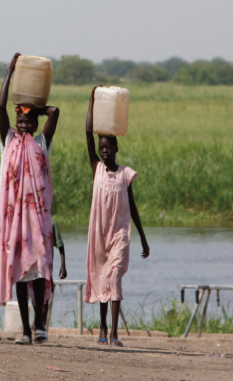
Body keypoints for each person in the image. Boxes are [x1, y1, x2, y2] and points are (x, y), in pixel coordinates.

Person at [0, 52, 60, 345]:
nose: (23, 123)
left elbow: (55, 111)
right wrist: (10, 72)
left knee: (40, 270)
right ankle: (24, 330)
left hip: (37, 221)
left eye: (28, 120)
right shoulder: (7, 141)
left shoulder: (41, 143)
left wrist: (35, 105)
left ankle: (40, 323)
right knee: (21, 273)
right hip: (13, 222)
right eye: (20, 118)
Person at [84, 85, 150, 347]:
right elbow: (87, 133)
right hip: (99, 235)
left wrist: (143, 238)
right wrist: (91, 102)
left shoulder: (125, 174)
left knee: (114, 277)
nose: (104, 151)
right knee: (101, 278)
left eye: (109, 147)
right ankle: (102, 327)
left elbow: (132, 207)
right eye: (102, 147)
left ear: (116, 148)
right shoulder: (96, 169)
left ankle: (114, 333)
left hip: (119, 234)